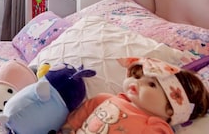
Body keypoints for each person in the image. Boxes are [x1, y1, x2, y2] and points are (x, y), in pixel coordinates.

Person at [59, 57, 209, 134]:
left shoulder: (154, 127)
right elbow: (85, 110)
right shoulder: (107, 99)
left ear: (171, 109)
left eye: (151, 85)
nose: (137, 82)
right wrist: (68, 128)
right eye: (136, 77)